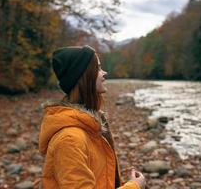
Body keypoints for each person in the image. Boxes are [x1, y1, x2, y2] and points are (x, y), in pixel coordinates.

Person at [38, 45, 146, 189]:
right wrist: (134, 186)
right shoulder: (70, 140)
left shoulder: (92, 125)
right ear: (84, 76)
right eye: (98, 68)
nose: (104, 73)